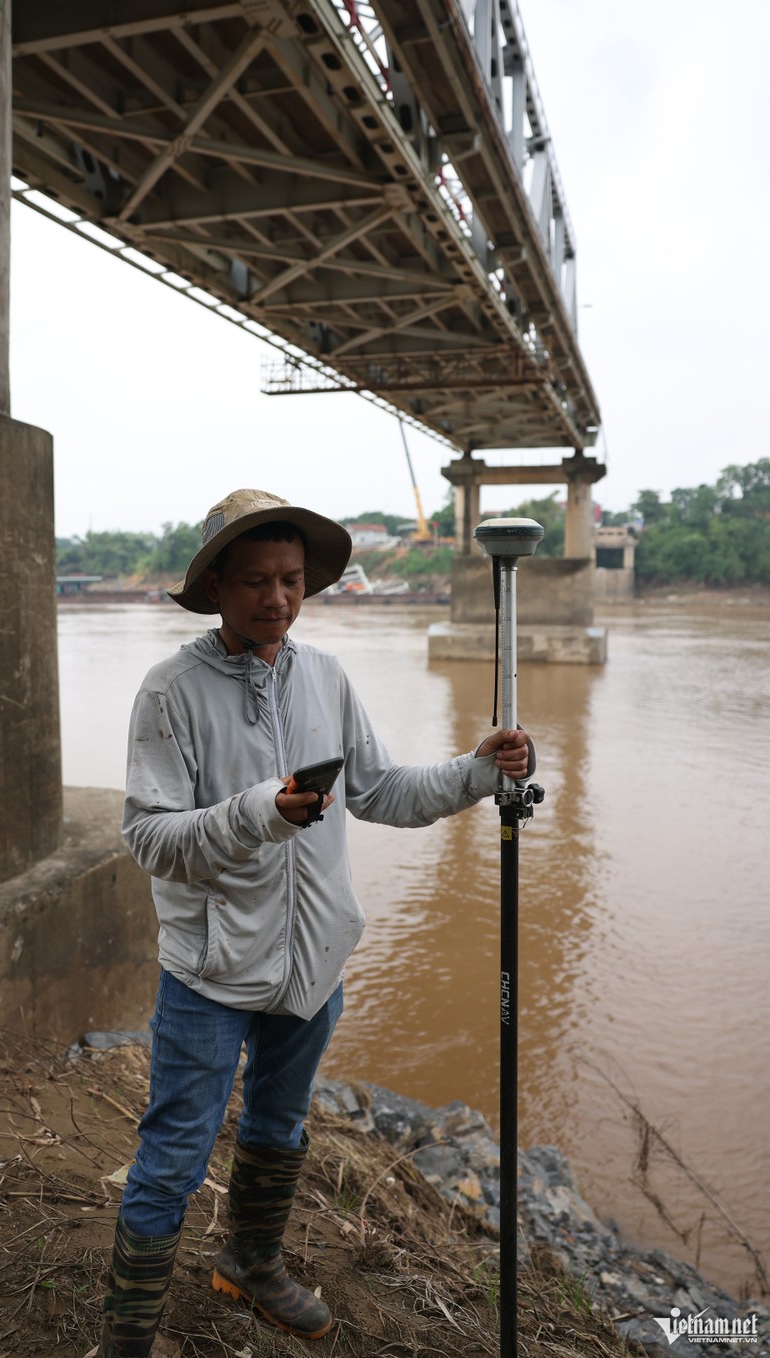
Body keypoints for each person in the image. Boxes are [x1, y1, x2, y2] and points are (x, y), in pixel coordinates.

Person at [95, 488, 534, 1357]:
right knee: (173, 1157)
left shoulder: (325, 676)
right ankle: (126, 1338)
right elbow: (149, 837)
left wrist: (477, 773)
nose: (277, 599)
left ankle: (250, 1262)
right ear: (215, 584)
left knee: (279, 1128)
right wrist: (265, 810)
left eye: (292, 580)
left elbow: (380, 792)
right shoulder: (169, 692)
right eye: (256, 580)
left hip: (312, 967)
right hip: (210, 974)